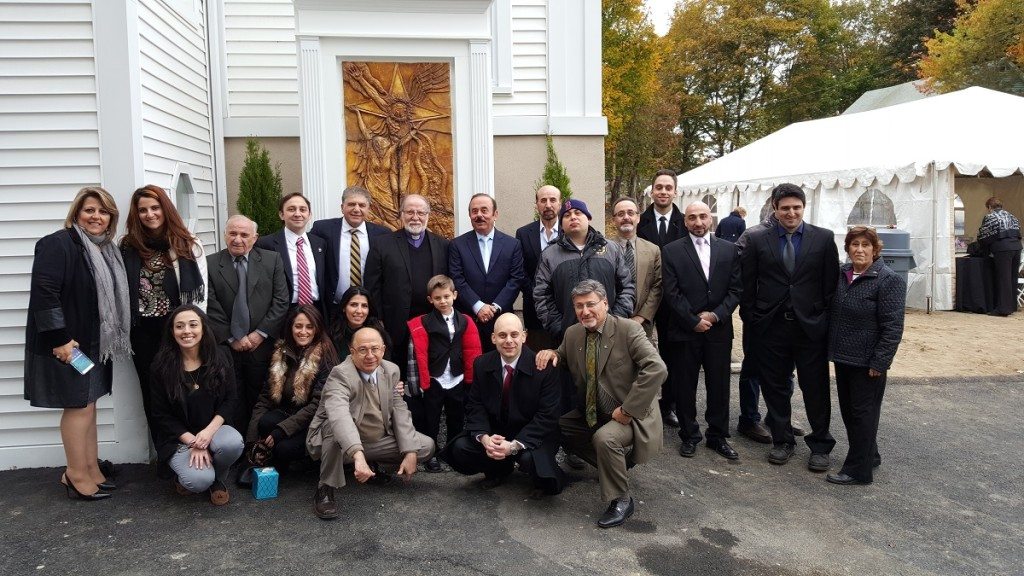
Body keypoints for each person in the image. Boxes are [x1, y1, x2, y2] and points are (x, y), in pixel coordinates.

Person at [25, 187, 132, 500]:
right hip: (68, 345)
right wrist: (59, 339)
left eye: (103, 212)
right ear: (76, 213)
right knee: (78, 406)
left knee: (89, 405)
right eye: (89, 210)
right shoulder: (58, 244)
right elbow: (44, 294)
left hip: (96, 343)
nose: (96, 217)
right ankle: (74, 474)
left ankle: (89, 467)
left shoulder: (104, 249)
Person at [537, 280, 666, 529]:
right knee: (557, 426)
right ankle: (615, 466)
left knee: (605, 439)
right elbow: (562, 355)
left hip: (629, 414)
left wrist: (629, 409)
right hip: (593, 411)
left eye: (591, 304)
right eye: (579, 306)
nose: (585, 311)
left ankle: (621, 499)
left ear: (605, 303)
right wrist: (551, 354)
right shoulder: (573, 333)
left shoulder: (628, 330)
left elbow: (656, 368)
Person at [740, 183, 838, 471]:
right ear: (775, 209)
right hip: (771, 328)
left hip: (810, 329)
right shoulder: (760, 240)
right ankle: (782, 441)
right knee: (775, 387)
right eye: (785, 208)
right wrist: (752, 318)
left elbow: (830, 285)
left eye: (796, 207)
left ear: (803, 208)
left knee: (815, 388)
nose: (791, 213)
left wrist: (823, 321)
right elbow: (748, 285)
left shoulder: (823, 239)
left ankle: (820, 444)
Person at [306, 327, 436, 520]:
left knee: (425, 446)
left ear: (383, 350)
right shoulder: (339, 375)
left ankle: (371, 466)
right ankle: (325, 487)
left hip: (374, 440)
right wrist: (357, 455)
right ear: (352, 351)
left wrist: (409, 451)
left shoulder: (390, 370)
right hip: (338, 442)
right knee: (333, 429)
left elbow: (399, 410)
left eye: (375, 349)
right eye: (363, 350)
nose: (370, 355)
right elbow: (339, 415)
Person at [441, 313, 565, 496]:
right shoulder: (482, 364)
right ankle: (498, 469)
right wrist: (484, 438)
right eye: (502, 335)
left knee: (531, 460)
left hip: (532, 434)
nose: (509, 341)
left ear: (524, 336)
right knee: (460, 448)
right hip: (498, 431)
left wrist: (515, 445)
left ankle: (540, 481)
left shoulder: (544, 367)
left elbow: (548, 415)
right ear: (493, 338)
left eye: (514, 335)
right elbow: (475, 405)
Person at [120, 184, 207, 443]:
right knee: (152, 392)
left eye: (155, 207)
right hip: (142, 332)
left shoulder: (188, 243)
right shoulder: (127, 246)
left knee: (185, 388)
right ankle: (165, 453)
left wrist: (195, 330)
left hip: (178, 330)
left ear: (165, 209)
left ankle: (193, 445)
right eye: (143, 210)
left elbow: (201, 294)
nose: (150, 214)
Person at [661, 201, 742, 460]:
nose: (698, 222)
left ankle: (717, 436)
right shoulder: (672, 251)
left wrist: (716, 315)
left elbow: (736, 289)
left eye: (703, 216)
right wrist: (692, 320)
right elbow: (671, 293)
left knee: (719, 385)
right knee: (685, 385)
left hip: (719, 331)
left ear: (711, 220)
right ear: (685, 222)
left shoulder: (729, 250)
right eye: (692, 217)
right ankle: (689, 435)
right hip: (685, 330)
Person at [827, 227, 906, 485]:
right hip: (843, 357)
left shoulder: (888, 279)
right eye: (854, 244)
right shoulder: (842, 275)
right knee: (851, 412)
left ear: (875, 249)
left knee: (863, 415)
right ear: (848, 248)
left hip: (867, 362)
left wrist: (880, 361)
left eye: (865, 245)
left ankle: (857, 471)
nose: (859, 249)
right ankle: (869, 454)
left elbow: (893, 326)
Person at [150, 305, 244, 505]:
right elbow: (160, 415)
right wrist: (194, 442)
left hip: (214, 430)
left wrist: (208, 434)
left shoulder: (221, 356)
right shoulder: (161, 365)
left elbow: (231, 400)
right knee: (198, 481)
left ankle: (217, 480)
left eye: (193, 325)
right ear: (172, 331)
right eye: (179, 326)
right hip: (178, 438)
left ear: (203, 328)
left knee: (232, 444)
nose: (186, 331)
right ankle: (194, 477)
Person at [206, 215, 290, 429]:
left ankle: (258, 446)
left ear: (255, 238)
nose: (238, 239)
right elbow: (210, 304)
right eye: (232, 233)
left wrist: (259, 333)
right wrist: (232, 337)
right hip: (226, 347)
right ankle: (236, 447)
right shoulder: (211, 263)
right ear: (225, 235)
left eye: (244, 235)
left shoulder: (272, 260)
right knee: (230, 397)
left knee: (260, 397)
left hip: (261, 346)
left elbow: (281, 301)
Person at [362, 193, 449, 380]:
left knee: (431, 372)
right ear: (401, 214)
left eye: (420, 212)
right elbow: (372, 286)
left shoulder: (442, 245)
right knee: (396, 374)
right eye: (409, 212)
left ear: (428, 215)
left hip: (431, 322)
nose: (415, 217)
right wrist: (378, 320)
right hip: (395, 325)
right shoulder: (383, 244)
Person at [245, 305, 338, 478]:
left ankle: (308, 462)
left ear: (317, 328)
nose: (303, 331)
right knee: (265, 422)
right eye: (298, 326)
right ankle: (276, 460)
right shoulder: (281, 352)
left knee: (283, 448)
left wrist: (282, 430)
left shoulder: (326, 356)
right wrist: (251, 441)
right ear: (290, 327)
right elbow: (265, 398)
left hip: (317, 421)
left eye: (309, 327)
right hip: (291, 414)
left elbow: (318, 405)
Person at [406, 275, 483, 472]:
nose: (443, 301)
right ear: (430, 300)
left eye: (446, 296)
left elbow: (471, 349)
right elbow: (417, 353)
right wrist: (419, 383)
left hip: (456, 376)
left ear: (455, 295)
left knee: (455, 417)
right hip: (434, 378)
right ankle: (431, 454)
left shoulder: (464, 321)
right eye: (438, 298)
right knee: (431, 418)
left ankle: (451, 451)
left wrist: (471, 377)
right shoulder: (424, 322)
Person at [533, 199, 634, 343]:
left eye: (578, 213)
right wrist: (559, 328)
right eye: (567, 215)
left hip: (610, 336)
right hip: (568, 339)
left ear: (589, 218)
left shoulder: (611, 250)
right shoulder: (549, 255)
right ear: (561, 224)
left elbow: (627, 287)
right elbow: (541, 296)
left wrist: (616, 321)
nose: (573, 217)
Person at [637, 169, 686, 428]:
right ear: (652, 191)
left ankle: (669, 405)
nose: (663, 192)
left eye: (668, 187)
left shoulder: (685, 221)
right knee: (639, 354)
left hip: (674, 300)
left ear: (675, 191)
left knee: (671, 355)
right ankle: (639, 404)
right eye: (659, 187)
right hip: (643, 300)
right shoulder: (639, 220)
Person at [449, 193, 525, 351]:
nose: (479, 215)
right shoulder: (457, 245)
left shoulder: (513, 245)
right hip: (468, 319)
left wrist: (494, 307)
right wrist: (478, 306)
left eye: (484, 210)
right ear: (470, 215)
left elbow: (516, 279)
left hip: (501, 320)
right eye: (474, 211)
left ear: (495, 214)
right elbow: (456, 278)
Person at [309, 185, 391, 318]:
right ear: (342, 207)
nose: (356, 209)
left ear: (368, 208)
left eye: (362, 205)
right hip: (334, 309)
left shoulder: (382, 234)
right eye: (351, 204)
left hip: (368, 309)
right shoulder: (322, 229)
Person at [255, 193, 329, 320]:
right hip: (283, 313)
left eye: (303, 209)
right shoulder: (265, 244)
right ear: (281, 214)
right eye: (291, 209)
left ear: (309, 215)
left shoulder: (319, 243)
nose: (297, 213)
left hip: (316, 310)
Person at [514, 185, 562, 352]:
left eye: (552, 200)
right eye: (543, 200)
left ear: (560, 204)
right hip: (533, 310)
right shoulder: (523, 233)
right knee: (536, 359)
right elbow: (519, 270)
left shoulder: (569, 232)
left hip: (564, 309)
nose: (548, 205)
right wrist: (535, 294)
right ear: (536, 205)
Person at [611, 197, 662, 338]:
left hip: (642, 325)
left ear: (638, 218)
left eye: (630, 213)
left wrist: (641, 317)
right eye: (620, 214)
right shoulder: (603, 249)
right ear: (613, 220)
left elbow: (658, 286)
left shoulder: (653, 250)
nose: (626, 217)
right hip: (610, 324)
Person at [977, 197, 1022, 316]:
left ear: (989, 207)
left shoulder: (990, 217)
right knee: (1012, 277)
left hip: (1003, 249)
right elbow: (1019, 233)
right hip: (1017, 248)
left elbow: (984, 236)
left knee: (1003, 278)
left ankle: (1003, 309)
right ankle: (1012, 306)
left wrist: (982, 249)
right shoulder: (1012, 216)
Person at [329, 285, 392, 363]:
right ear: (344, 308)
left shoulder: (379, 334)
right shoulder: (333, 335)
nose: (359, 311)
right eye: (354, 305)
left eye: (364, 306)